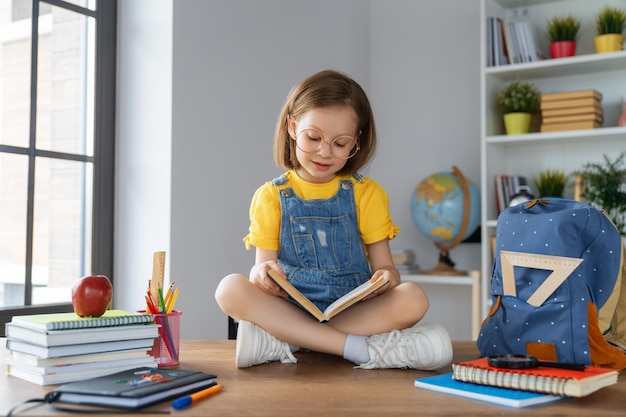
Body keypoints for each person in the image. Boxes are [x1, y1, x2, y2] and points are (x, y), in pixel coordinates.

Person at [215, 69, 453, 370]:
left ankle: (291, 341)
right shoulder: (270, 196)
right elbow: (260, 270)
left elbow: (386, 269)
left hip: (350, 309)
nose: (324, 152)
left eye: (340, 144)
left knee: (414, 298)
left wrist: (387, 278)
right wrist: (263, 276)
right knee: (229, 289)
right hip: (293, 308)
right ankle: (356, 348)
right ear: (292, 126)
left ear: (357, 140)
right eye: (313, 137)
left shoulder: (367, 193)